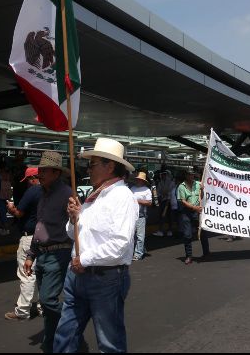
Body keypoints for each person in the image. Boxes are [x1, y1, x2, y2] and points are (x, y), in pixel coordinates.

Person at [54, 138, 139, 353]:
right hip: (76, 275)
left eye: (92, 165)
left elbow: (120, 245)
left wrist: (83, 259)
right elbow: (74, 235)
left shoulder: (123, 197)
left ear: (110, 166)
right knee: (65, 334)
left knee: (109, 342)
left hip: (105, 278)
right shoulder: (93, 198)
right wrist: (74, 219)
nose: (88, 169)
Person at [21, 152, 73, 353]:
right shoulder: (43, 194)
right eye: (39, 170)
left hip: (59, 254)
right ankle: (51, 342)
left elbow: (78, 225)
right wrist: (31, 255)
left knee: (47, 300)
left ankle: (72, 320)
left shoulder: (67, 193)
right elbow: (40, 227)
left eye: (44, 171)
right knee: (47, 308)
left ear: (56, 172)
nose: (40, 174)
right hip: (42, 255)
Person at [5, 167, 41, 321]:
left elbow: (19, 213)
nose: (26, 184)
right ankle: (43, 306)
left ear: (32, 178)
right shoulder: (50, 191)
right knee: (41, 274)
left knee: (27, 273)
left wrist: (11, 208)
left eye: (27, 180)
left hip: (29, 237)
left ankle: (23, 310)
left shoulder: (32, 191)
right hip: (46, 236)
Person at [178, 167, 209, 265]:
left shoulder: (199, 184)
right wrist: (193, 208)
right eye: (189, 174)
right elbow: (182, 201)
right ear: (186, 175)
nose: (191, 176)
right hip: (186, 212)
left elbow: (203, 197)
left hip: (197, 212)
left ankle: (206, 253)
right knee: (187, 235)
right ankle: (189, 256)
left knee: (202, 233)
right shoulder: (181, 187)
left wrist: (203, 190)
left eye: (192, 174)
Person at [131, 171, 153, 261]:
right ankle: (139, 250)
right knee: (133, 235)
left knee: (140, 235)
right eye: (138, 179)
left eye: (140, 180)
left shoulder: (147, 190)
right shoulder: (132, 188)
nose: (138, 181)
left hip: (141, 214)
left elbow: (149, 202)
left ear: (143, 181)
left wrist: (137, 201)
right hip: (132, 214)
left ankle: (138, 254)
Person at [152, 167, 177, 237]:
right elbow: (158, 192)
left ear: (166, 174)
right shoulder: (160, 182)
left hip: (169, 201)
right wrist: (162, 195)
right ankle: (161, 231)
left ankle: (169, 230)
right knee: (162, 216)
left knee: (169, 216)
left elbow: (171, 192)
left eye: (163, 174)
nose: (162, 176)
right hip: (163, 201)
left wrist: (165, 195)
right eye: (161, 175)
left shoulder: (171, 182)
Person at [0, 163, 13, 235]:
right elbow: (12, 182)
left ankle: (6, 228)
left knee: (2, 212)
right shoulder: (9, 175)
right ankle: (1, 227)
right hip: (7, 195)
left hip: (0, 195)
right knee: (4, 212)